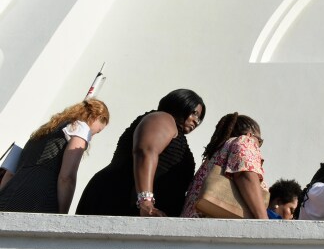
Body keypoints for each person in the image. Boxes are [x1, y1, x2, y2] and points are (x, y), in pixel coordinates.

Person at [76, 89, 204, 217]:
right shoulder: (163, 118)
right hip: (119, 199)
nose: (196, 121)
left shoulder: (180, 137)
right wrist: (145, 202)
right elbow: (146, 152)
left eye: (199, 118)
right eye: (194, 113)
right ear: (181, 104)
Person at [0, 99, 109, 213]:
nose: (93, 136)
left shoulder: (45, 130)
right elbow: (67, 178)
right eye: (98, 131)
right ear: (95, 117)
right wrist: (62, 215)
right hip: (40, 199)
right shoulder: (81, 129)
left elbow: (10, 173)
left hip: (7, 197)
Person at [181, 113, 269, 218]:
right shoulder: (245, 141)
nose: (258, 146)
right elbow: (245, 174)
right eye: (259, 141)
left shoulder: (212, 158)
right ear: (250, 135)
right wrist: (263, 218)